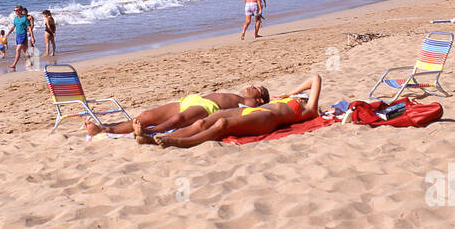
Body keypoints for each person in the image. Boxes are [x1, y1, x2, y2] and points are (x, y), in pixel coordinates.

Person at [138, 74, 323, 148]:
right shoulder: (285, 99)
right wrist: (290, 94)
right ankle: (150, 137)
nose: (302, 96)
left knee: (222, 124)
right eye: (302, 95)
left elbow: (316, 78)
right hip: (251, 112)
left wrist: (294, 93)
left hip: (268, 118)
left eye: (304, 96)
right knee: (203, 122)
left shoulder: (309, 110)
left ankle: (180, 141)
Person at [88, 85, 271, 137]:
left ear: (260, 99)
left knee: (178, 119)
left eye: (257, 88)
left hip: (208, 108)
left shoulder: (251, 105)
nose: (252, 86)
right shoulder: (244, 97)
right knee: (145, 116)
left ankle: (148, 132)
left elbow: (270, 108)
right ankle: (105, 128)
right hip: (193, 99)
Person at [9, 6, 33, 70]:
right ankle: (30, 62)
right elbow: (13, 27)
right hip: (18, 35)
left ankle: (14, 64)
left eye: (17, 10)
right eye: (15, 10)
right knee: (25, 51)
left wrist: (32, 37)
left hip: (23, 35)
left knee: (18, 49)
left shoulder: (24, 18)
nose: (16, 12)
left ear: (20, 10)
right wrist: (8, 34)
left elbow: (29, 28)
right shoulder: (15, 19)